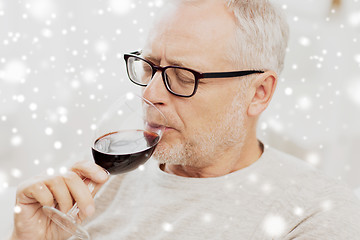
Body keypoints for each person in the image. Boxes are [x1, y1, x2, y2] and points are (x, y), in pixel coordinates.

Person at [10, 0, 360, 239]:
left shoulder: (317, 215)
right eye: (150, 67)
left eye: (182, 74)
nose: (150, 93)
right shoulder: (92, 190)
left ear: (259, 93)